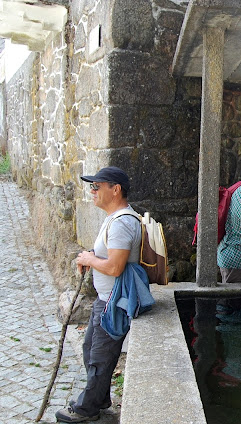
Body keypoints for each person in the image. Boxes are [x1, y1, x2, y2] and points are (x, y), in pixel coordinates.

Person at [55, 166, 142, 423]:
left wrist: (89, 260)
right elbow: (108, 254)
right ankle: (100, 399)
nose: (92, 191)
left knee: (100, 358)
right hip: (105, 299)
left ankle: (87, 409)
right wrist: (91, 256)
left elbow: (115, 267)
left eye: (97, 186)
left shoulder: (122, 222)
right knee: (90, 349)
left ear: (115, 190)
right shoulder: (114, 218)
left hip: (114, 302)